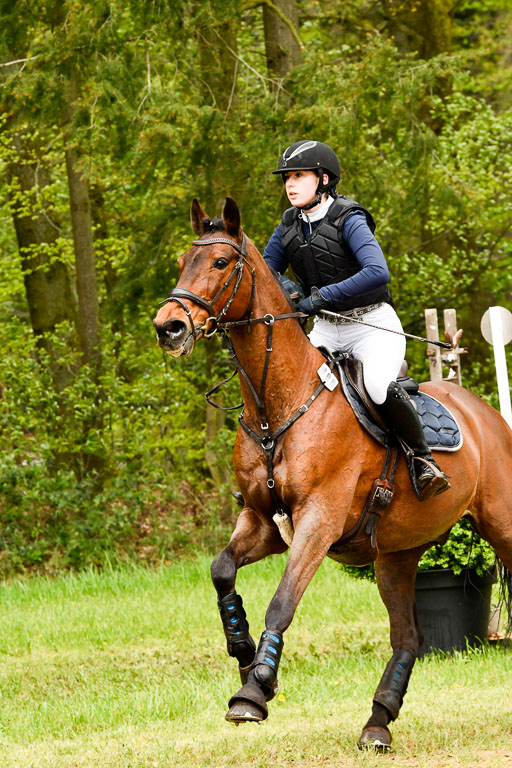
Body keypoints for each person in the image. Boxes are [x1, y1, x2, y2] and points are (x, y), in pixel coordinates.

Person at [263, 139, 450, 501]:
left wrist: (322, 297)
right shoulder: (288, 224)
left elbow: (378, 272)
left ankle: (423, 461)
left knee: (378, 386)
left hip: (371, 326)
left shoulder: (349, 217)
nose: (290, 184)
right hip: (327, 331)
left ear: (324, 179)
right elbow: (268, 267)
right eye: (287, 177)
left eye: (299, 176)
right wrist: (290, 288)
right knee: (286, 385)